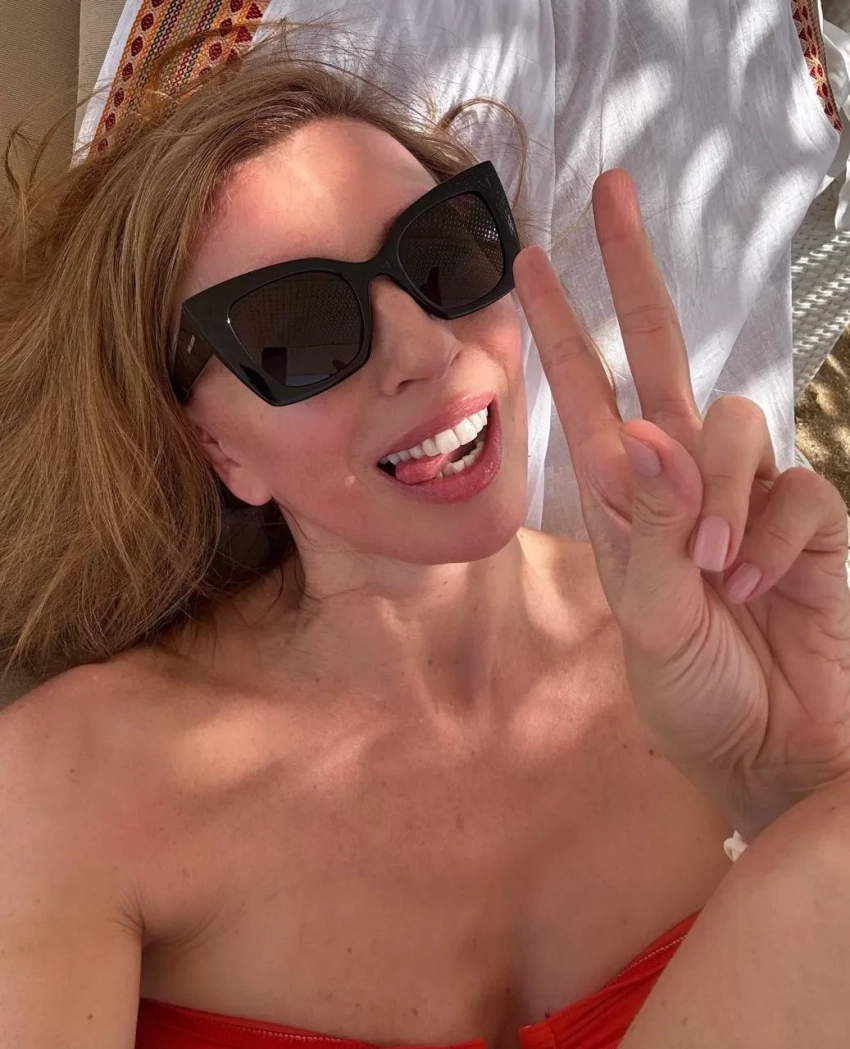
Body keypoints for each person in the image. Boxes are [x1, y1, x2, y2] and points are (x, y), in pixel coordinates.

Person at [1, 22, 849, 1049]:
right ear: (216, 448)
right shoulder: (70, 783)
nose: (423, 347)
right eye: (298, 332)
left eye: (444, 253)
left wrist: (792, 791)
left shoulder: (735, 655)